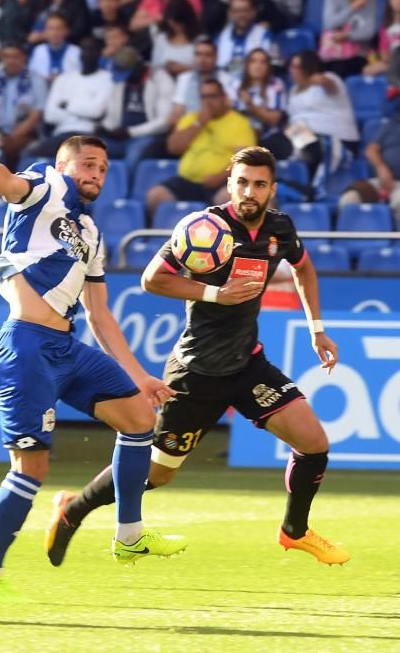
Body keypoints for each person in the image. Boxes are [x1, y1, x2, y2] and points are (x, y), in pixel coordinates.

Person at [51, 146, 349, 568]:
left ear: (272, 190)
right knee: (158, 475)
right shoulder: (205, 228)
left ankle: (294, 532)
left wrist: (317, 329)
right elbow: (153, 279)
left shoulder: (280, 229)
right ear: (230, 184)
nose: (250, 191)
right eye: (242, 182)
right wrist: (216, 293)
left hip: (248, 364)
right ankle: (71, 510)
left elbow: (303, 268)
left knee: (314, 443)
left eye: (259, 184)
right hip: (196, 373)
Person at [0, 131, 188, 603]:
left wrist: (139, 375)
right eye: (88, 165)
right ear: (65, 166)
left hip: (67, 348)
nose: (96, 174)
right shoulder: (46, 184)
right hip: (26, 347)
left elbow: (99, 313)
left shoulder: (91, 234)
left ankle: (129, 534)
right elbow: (6, 183)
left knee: (141, 419)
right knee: (31, 468)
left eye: (102, 168)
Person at [146, 78, 256, 217]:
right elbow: (173, 147)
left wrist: (220, 177)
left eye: (213, 96)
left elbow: (244, 160)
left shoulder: (239, 123)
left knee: (229, 198)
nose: (208, 101)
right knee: (155, 196)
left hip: (221, 182)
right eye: (204, 97)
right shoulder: (191, 119)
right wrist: (199, 124)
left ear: (223, 97)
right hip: (187, 181)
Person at [25, 35, 112, 159]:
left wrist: (66, 105)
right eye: (84, 50)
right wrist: (83, 111)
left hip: (88, 135)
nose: (87, 54)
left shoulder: (107, 78)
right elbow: (50, 115)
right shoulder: (63, 79)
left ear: (100, 53)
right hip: (61, 134)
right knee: (28, 154)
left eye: (92, 50)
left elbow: (96, 111)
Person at [99, 47, 175, 177]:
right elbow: (112, 115)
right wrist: (105, 129)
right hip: (121, 135)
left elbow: (164, 121)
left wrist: (130, 132)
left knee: (134, 155)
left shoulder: (160, 78)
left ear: (138, 67)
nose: (124, 79)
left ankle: (124, 194)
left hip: (148, 136)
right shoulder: (119, 80)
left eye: (127, 74)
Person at [0, 44, 47, 169]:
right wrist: (0, 136)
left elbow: (36, 115)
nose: (11, 61)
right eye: (7, 57)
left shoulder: (36, 80)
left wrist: (11, 137)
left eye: (16, 57)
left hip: (26, 134)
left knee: (6, 149)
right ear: (1, 59)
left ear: (24, 58)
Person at [320, 0, 377, 79]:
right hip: (332, 50)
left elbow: (368, 32)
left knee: (339, 70)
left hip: (357, 54)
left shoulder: (371, 2)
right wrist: (353, 7)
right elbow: (329, 23)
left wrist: (348, 35)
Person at [234, 48, 287, 154]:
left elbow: (273, 120)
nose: (258, 66)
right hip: (240, 136)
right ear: (247, 65)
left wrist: (250, 104)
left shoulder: (276, 85)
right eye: (253, 61)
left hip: (268, 139)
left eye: (263, 62)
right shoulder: (236, 84)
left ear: (268, 66)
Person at [216, 0, 276, 81]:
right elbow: (216, 66)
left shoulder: (264, 36)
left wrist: (228, 68)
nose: (241, 15)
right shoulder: (221, 37)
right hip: (223, 88)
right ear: (230, 14)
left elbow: (265, 66)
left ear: (253, 12)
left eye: (245, 10)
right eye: (237, 11)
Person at [150, 0, 200, 79]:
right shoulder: (161, 39)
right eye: (173, 23)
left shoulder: (199, 41)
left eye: (180, 24)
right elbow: (154, 68)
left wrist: (184, 69)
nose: (176, 27)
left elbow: (206, 70)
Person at [28, 13, 82, 85]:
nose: (54, 33)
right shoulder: (38, 51)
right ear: (45, 31)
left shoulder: (76, 52)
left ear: (66, 31)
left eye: (59, 29)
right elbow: (33, 77)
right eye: (50, 28)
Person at [362, 0, 400, 80]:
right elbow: (384, 54)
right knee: (367, 70)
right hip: (392, 63)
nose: (398, 0)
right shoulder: (385, 27)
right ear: (389, 1)